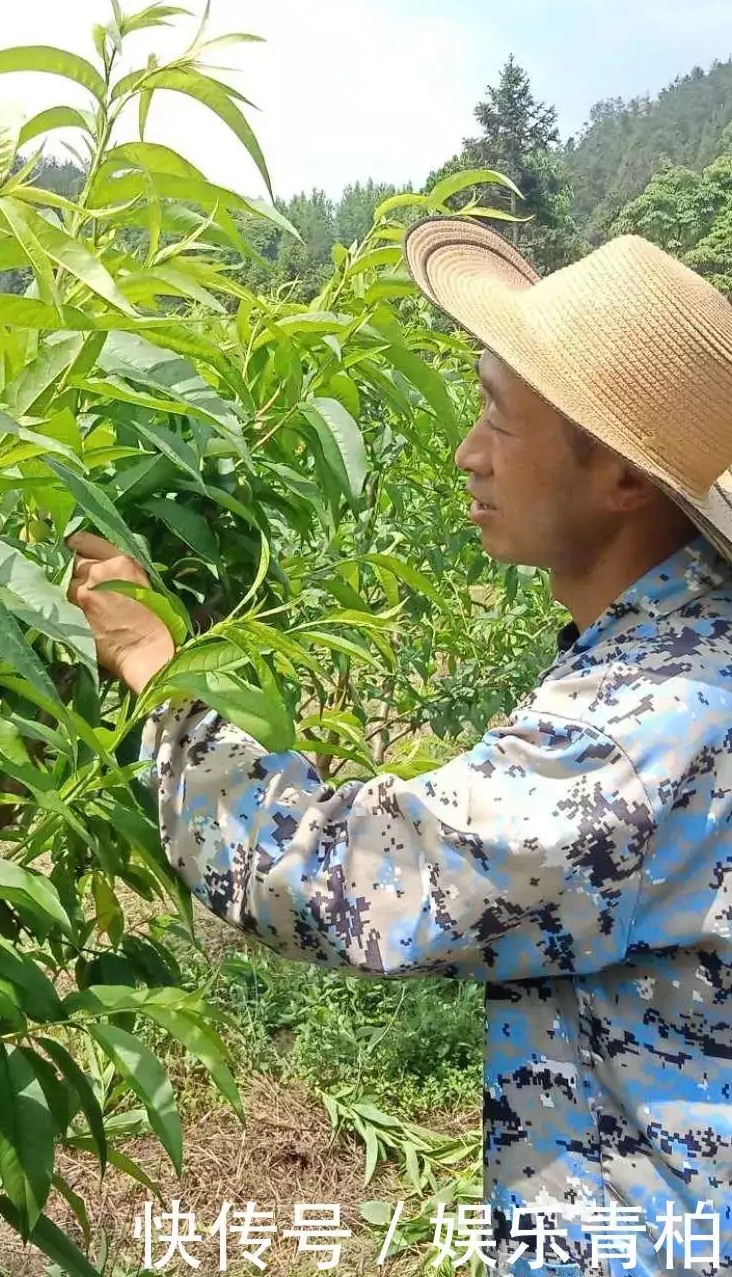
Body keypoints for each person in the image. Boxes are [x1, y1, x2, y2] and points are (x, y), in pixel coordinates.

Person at [68, 218, 732, 1277]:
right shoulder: (684, 650)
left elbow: (370, 874)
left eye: (500, 419)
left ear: (620, 479)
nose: (469, 451)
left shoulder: (657, 721)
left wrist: (163, 673)